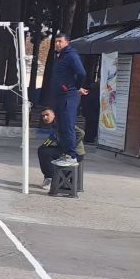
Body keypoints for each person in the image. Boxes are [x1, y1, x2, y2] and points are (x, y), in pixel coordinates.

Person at [49, 33, 87, 167]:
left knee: (68, 126)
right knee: (61, 126)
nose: (57, 44)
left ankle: (72, 156)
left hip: (68, 96)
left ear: (67, 42)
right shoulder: (60, 56)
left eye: (60, 41)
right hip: (60, 96)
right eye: (56, 42)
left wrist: (75, 87)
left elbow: (81, 73)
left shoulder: (71, 55)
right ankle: (65, 154)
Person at [37, 107, 85, 183]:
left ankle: (50, 178)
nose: (45, 117)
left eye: (47, 115)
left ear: (54, 114)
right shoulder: (54, 124)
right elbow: (52, 137)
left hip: (75, 153)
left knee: (44, 152)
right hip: (63, 149)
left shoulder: (63, 123)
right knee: (43, 150)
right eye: (43, 116)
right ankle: (49, 177)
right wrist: (45, 145)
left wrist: (70, 146)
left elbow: (81, 133)